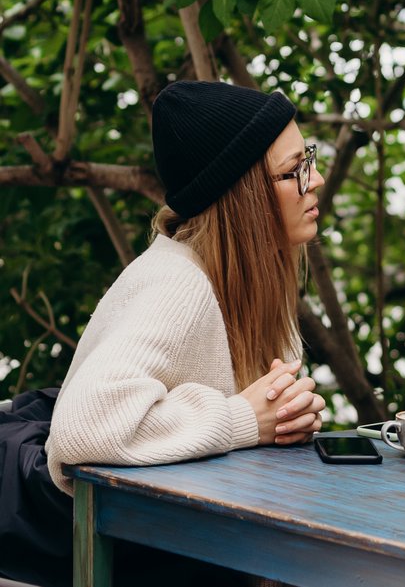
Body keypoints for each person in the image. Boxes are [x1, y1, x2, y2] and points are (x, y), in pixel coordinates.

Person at [1, 81, 326, 587]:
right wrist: (244, 417)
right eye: (292, 172)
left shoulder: (251, 282)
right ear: (241, 198)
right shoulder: (178, 285)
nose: (317, 179)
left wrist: (288, 415)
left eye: (308, 158)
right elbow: (81, 431)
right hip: (108, 551)